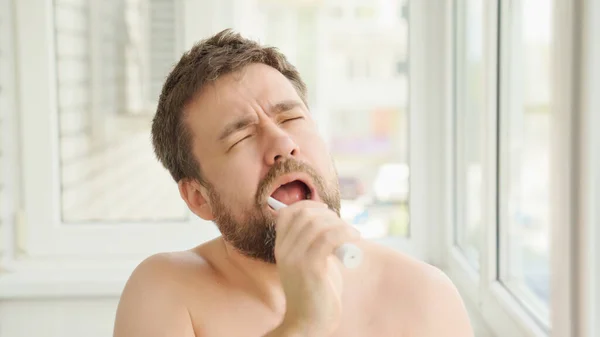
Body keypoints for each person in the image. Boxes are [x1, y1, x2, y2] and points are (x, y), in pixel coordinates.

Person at [113, 29, 474, 337]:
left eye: (291, 117)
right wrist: (301, 325)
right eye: (240, 138)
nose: (283, 145)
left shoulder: (425, 296)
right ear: (198, 198)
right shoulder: (164, 292)